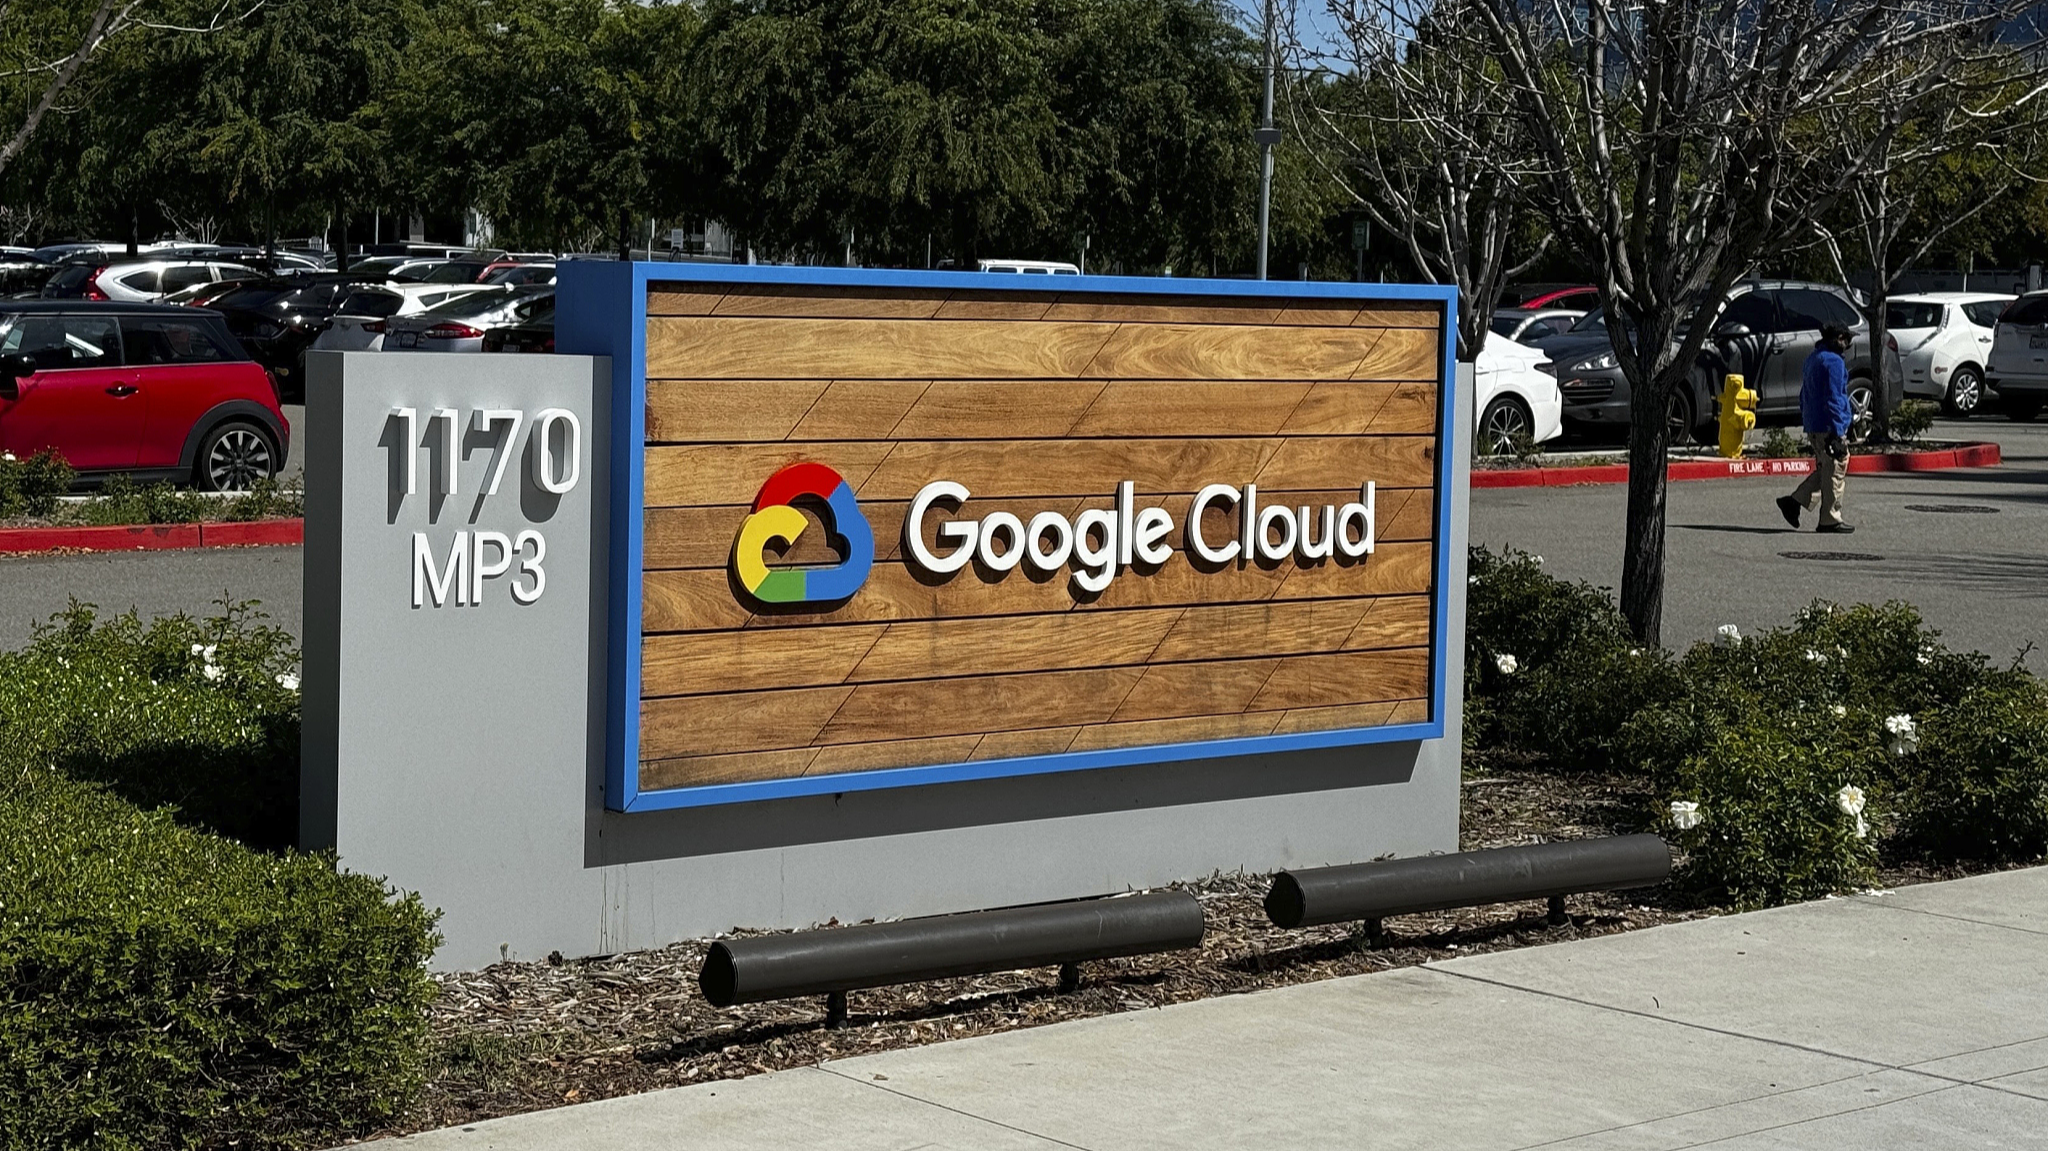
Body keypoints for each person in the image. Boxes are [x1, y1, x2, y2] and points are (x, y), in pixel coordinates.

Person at [1778, 323, 1854, 533]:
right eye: (1847, 340)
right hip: (1828, 425)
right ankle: (1830, 518)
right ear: (1839, 338)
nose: (1848, 344)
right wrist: (1839, 431)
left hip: (1814, 423)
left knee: (1826, 469)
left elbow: (1805, 393)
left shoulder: (1813, 358)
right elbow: (1834, 397)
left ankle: (1793, 502)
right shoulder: (1834, 362)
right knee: (1836, 468)